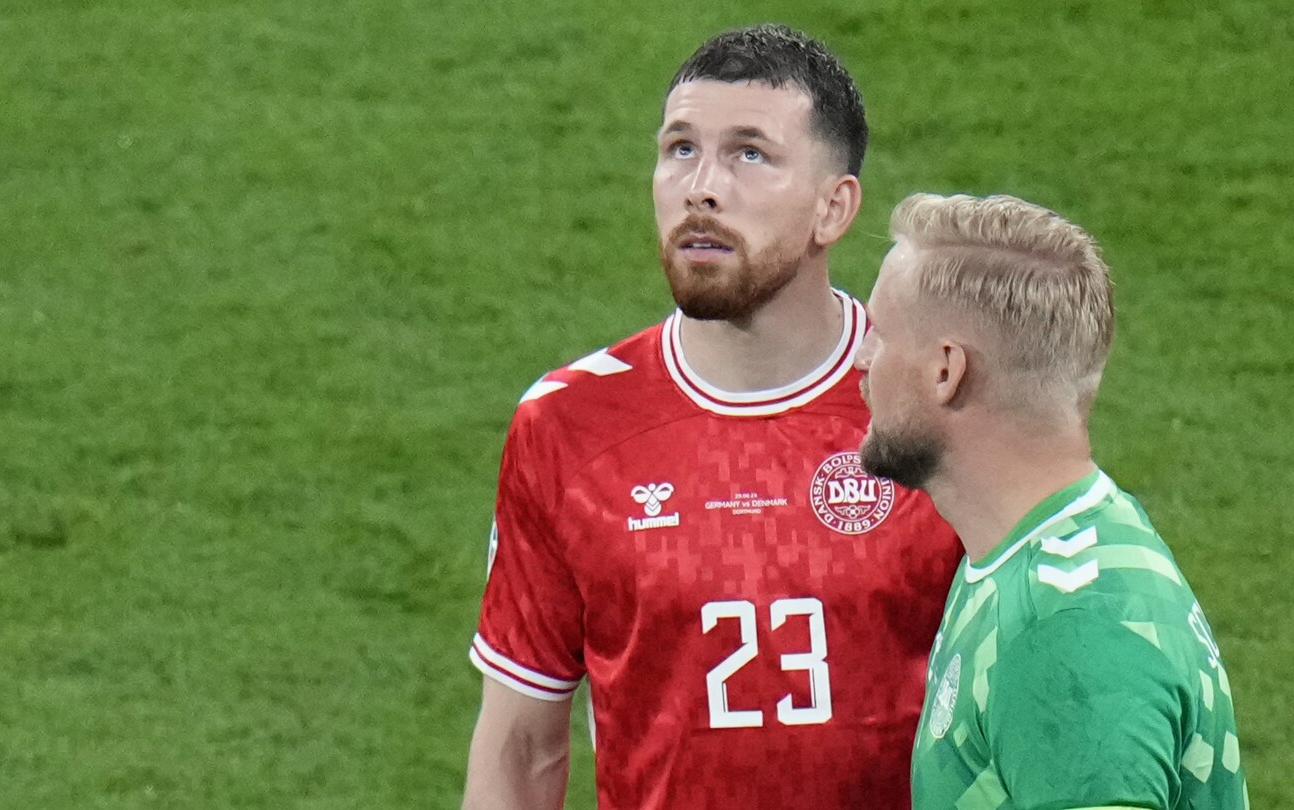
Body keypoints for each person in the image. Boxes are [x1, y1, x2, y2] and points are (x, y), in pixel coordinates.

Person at [461, 24, 963, 810]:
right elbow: (521, 744)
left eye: (749, 154)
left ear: (834, 208)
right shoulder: (568, 427)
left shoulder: (934, 402)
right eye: (680, 149)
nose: (701, 186)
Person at [854, 192, 1248, 809]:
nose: (862, 359)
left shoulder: (1065, 638)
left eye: (880, 334)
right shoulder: (1049, 542)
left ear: (945, 371)